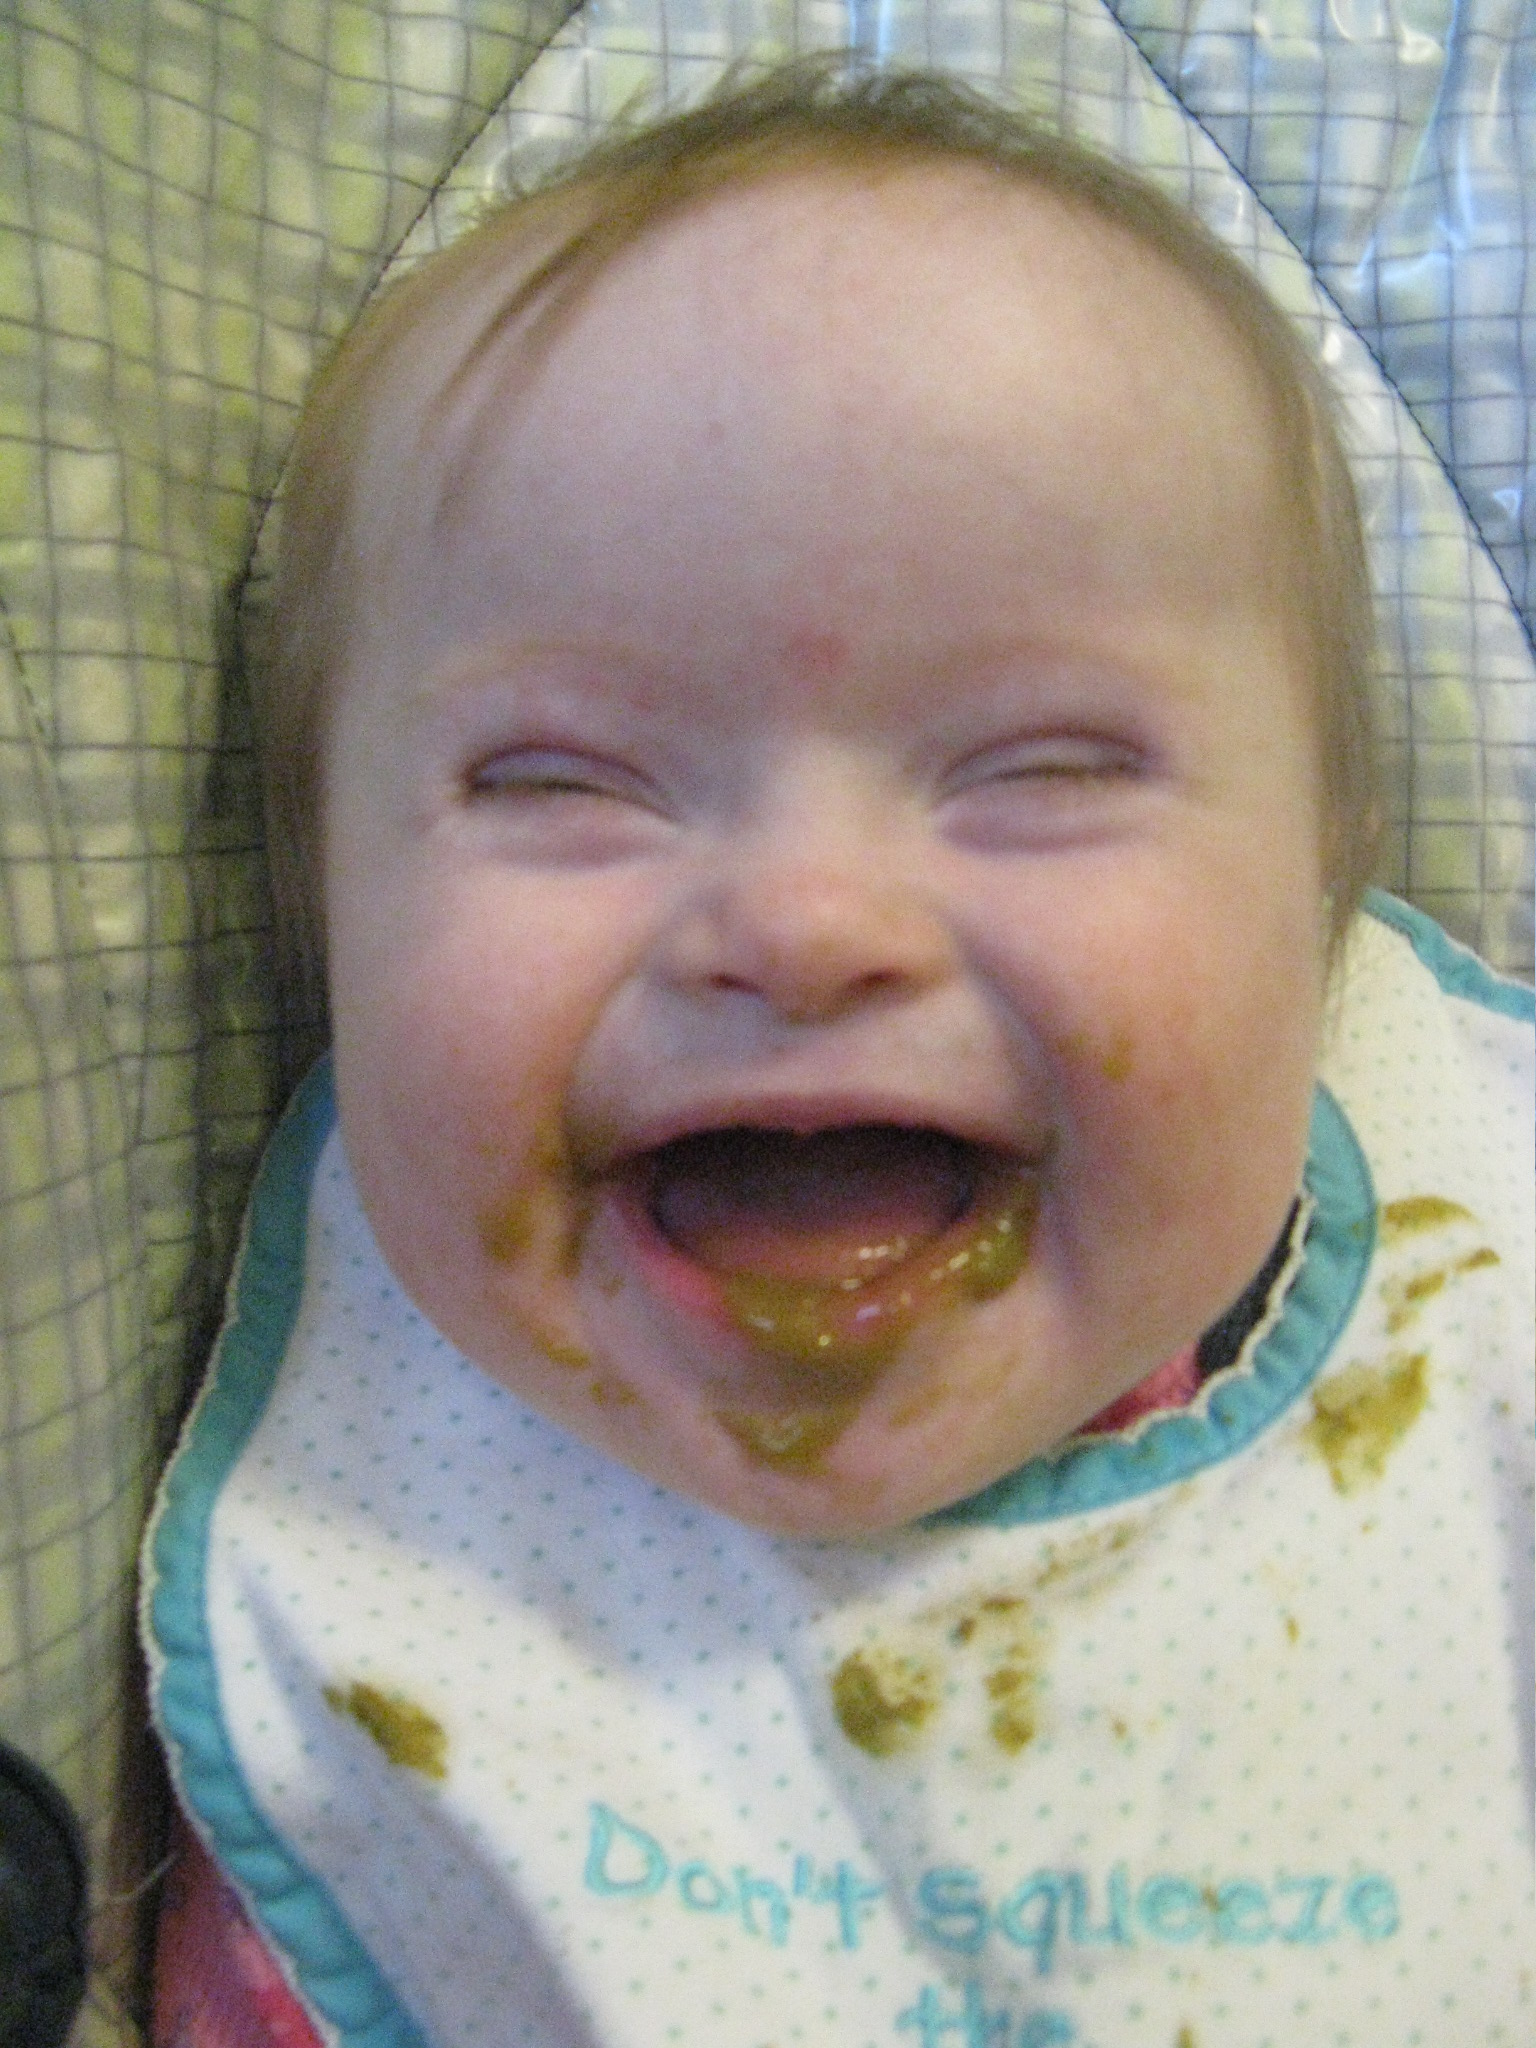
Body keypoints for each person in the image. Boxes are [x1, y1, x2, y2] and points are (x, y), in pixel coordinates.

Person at [142, 63, 1533, 2048]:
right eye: (560, 779)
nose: (802, 922)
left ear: (1322, 889)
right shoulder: (399, 1599)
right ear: (321, 904)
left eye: (1045, 766)